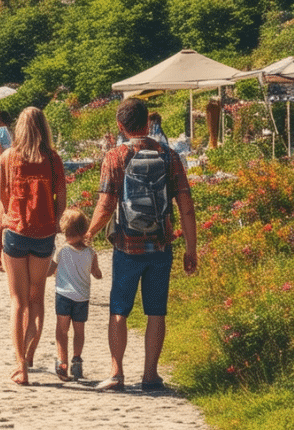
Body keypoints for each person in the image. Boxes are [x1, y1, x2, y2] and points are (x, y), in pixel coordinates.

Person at [86, 97, 197, 392]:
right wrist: (191, 248)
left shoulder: (115, 156)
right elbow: (186, 205)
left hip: (126, 247)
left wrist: (87, 234)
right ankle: (150, 375)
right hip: (160, 247)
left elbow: (106, 204)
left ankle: (117, 373)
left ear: (120, 126)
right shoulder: (170, 156)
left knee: (119, 310)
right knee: (156, 311)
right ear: (149, 122)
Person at [0, 107, 66, 385]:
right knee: (37, 299)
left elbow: (4, 197)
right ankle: (31, 353)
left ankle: (20, 364)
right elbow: (62, 197)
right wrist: (55, 222)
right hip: (44, 233)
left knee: (18, 302)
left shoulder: (8, 157)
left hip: (16, 231)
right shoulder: (52, 158)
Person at [48, 208, 102, 381]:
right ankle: (76, 360)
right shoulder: (91, 253)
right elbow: (96, 273)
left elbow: (50, 270)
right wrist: (96, 272)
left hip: (63, 295)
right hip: (82, 298)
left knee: (61, 330)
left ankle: (62, 361)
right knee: (79, 332)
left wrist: (41, 271)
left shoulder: (62, 251)